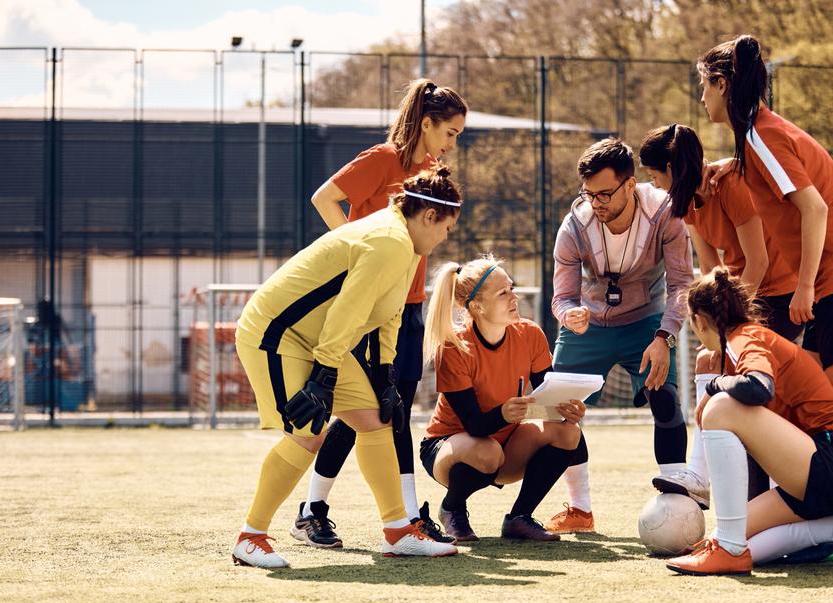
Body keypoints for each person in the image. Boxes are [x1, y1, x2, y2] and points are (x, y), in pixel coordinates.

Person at [230, 166, 462, 568]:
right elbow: (347, 311)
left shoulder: (406, 244)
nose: (446, 236)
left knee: (374, 421)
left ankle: (398, 532)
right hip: (276, 333)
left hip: (318, 340)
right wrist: (323, 375)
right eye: (447, 227)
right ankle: (251, 538)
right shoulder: (388, 241)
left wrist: (384, 373)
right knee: (309, 434)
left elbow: (388, 314)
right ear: (429, 216)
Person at [297, 79, 467, 547]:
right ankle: (314, 510)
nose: (453, 143)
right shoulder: (381, 159)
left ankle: (406, 516)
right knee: (364, 411)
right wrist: (355, 252)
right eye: (449, 132)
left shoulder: (430, 169)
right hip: (371, 308)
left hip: (407, 308)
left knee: (395, 411)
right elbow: (323, 198)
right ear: (427, 123)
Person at [698, 35, 833, 427]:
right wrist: (730, 166)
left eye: (703, 84)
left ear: (722, 84)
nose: (701, 96)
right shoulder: (757, 135)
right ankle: (812, 486)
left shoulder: (760, 135)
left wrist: (804, 286)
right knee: (807, 400)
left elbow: (814, 208)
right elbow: (778, 172)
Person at [666, 269, 833, 576]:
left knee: (719, 408)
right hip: (831, 470)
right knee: (730, 533)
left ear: (699, 320)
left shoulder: (744, 338)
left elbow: (758, 387)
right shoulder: (736, 345)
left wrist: (714, 387)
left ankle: (729, 550)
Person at [638, 123, 801, 506]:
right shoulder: (688, 207)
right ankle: (700, 477)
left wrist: (731, 322)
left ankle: (778, 489)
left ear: (673, 168)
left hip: (777, 294)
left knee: (743, 377)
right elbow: (712, 273)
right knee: (708, 357)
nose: (655, 184)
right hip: (743, 296)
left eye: (655, 174)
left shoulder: (730, 187)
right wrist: (707, 320)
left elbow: (758, 260)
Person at [545, 137, 694, 534]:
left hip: (647, 322)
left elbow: (682, 285)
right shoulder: (575, 224)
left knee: (665, 397)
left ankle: (678, 500)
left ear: (631, 185)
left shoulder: (666, 213)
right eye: (589, 194)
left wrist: (666, 336)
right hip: (589, 325)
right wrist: (569, 314)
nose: (597, 203)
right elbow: (561, 296)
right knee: (558, 409)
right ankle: (579, 509)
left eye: (606, 193)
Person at [419, 255, 587, 542]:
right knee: (487, 452)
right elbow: (474, 425)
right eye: (503, 293)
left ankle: (519, 518)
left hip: (503, 444)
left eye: (512, 288)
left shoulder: (530, 334)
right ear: (477, 307)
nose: (514, 297)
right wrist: (504, 414)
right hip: (448, 447)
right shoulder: (455, 346)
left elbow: (547, 395)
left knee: (569, 433)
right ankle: (452, 509)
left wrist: (565, 409)